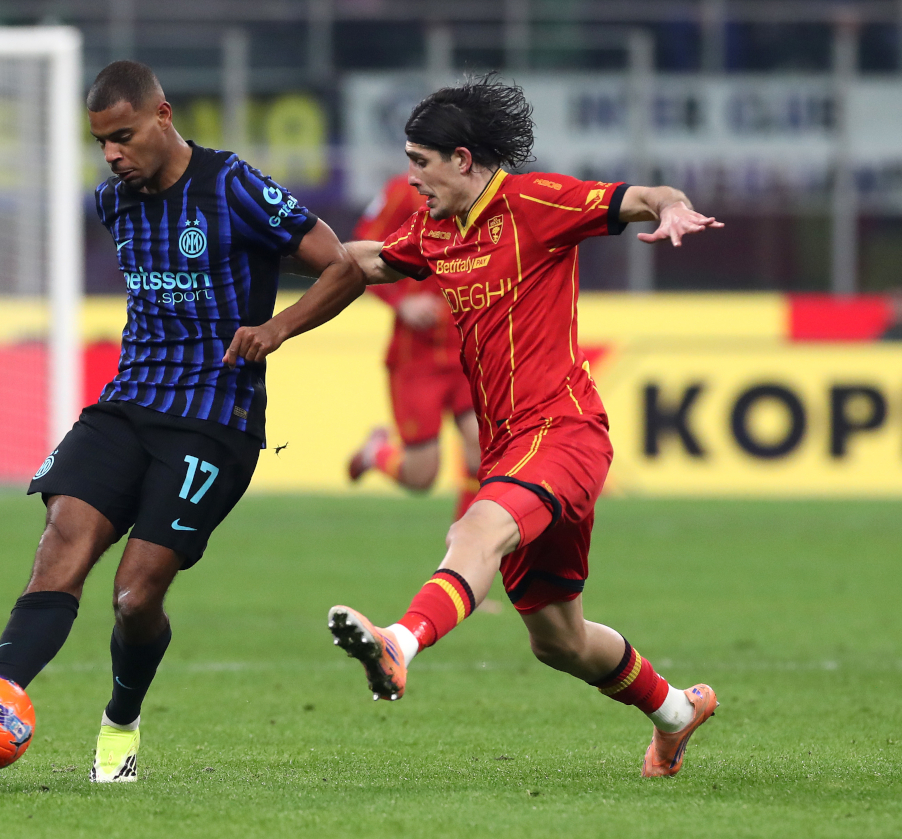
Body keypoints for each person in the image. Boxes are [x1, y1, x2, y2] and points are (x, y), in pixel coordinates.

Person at [223, 75, 724, 777]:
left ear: (462, 159)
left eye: (419, 163)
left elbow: (640, 197)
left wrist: (672, 208)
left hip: (563, 429)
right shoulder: (435, 228)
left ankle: (399, 641)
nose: (410, 178)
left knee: (473, 529)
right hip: (509, 447)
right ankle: (675, 710)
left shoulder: (538, 201)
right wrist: (277, 325)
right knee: (558, 639)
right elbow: (362, 262)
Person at [0, 60, 362, 783]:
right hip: (127, 404)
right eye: (101, 142)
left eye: (124, 136)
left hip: (213, 419)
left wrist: (278, 327)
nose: (112, 154)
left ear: (163, 116)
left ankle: (120, 720)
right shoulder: (116, 203)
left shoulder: (233, 186)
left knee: (136, 596)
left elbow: (341, 266)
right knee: (60, 544)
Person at [346, 174, 481, 520]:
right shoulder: (400, 192)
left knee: (482, 453)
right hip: (416, 358)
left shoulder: (485, 190)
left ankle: (466, 543)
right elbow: (358, 252)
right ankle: (377, 453)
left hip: (468, 349)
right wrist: (401, 302)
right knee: (423, 476)